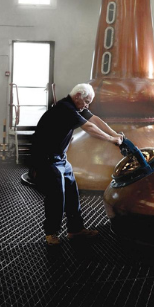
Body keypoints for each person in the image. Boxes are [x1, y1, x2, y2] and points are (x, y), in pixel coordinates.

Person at [31, 83, 123, 246]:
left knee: (73, 193)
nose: (87, 105)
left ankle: (75, 230)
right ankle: (51, 233)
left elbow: (95, 119)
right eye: (86, 101)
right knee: (57, 196)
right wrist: (110, 140)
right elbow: (89, 127)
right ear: (78, 96)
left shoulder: (77, 107)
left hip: (60, 158)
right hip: (47, 159)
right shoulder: (66, 108)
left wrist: (115, 134)